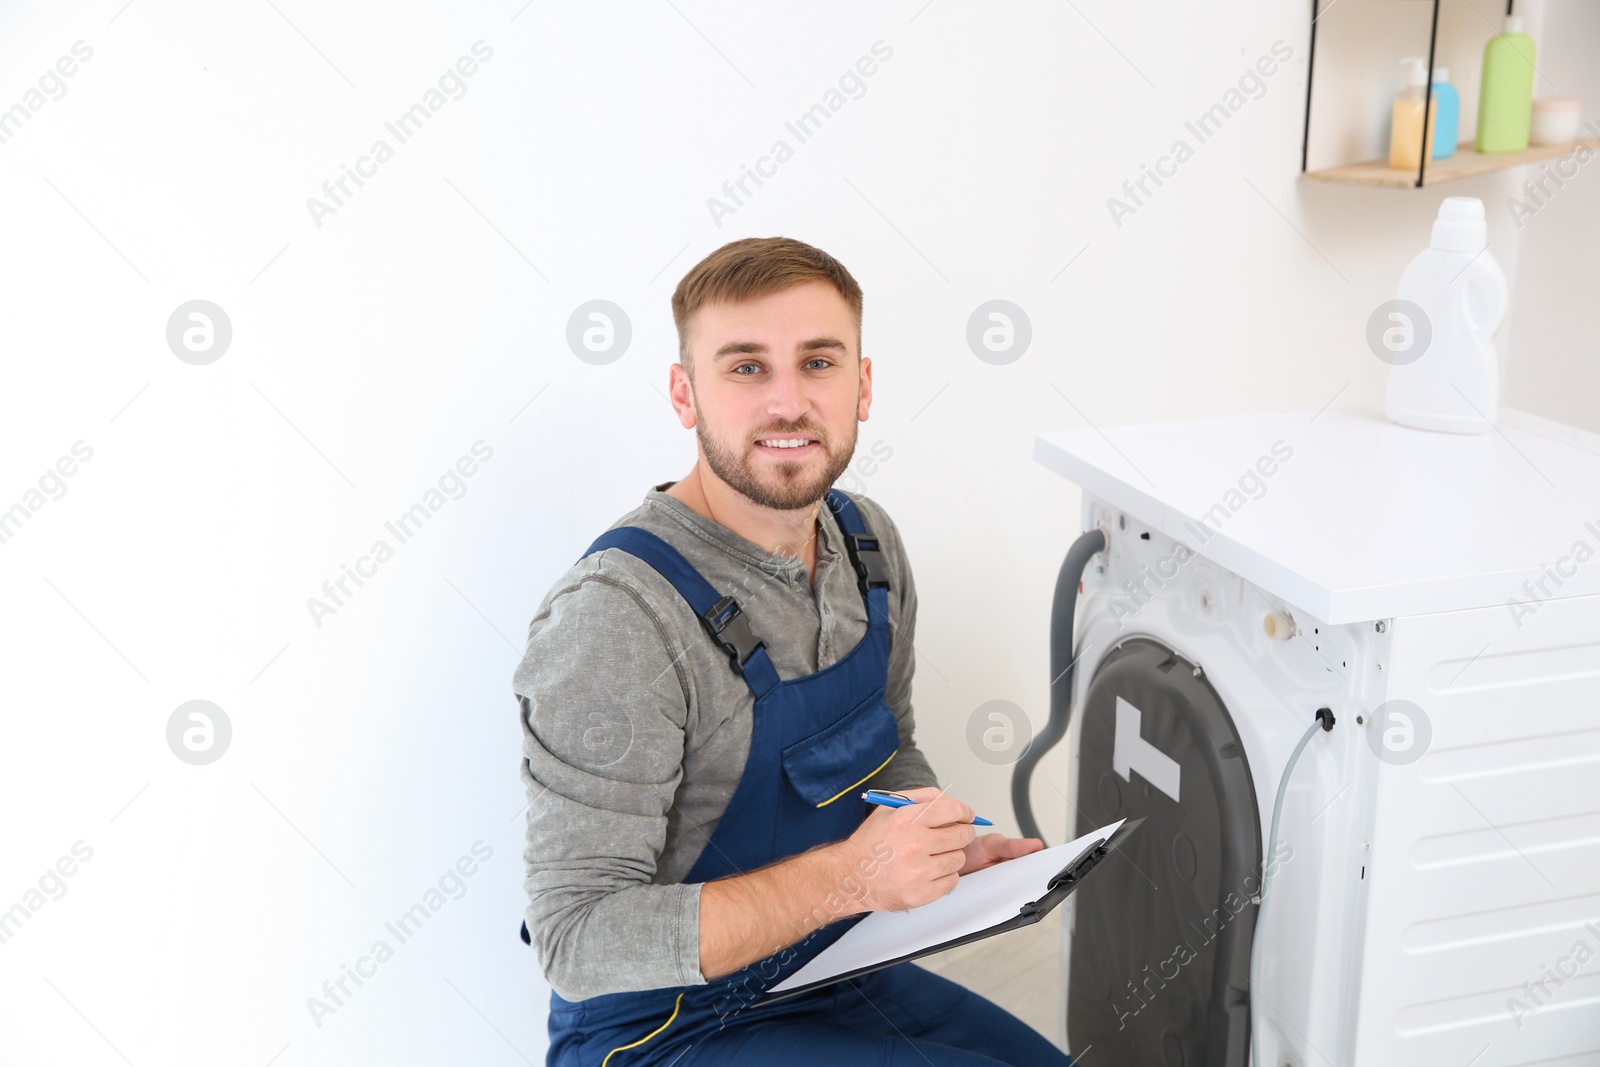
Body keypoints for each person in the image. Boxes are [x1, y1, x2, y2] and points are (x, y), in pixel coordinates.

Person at [514, 236, 1076, 1066]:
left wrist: (943, 841)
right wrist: (852, 879)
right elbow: (577, 939)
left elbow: (889, 751)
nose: (788, 403)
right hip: (660, 1035)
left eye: (818, 362)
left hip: (836, 967)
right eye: (745, 367)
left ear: (864, 385)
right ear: (685, 393)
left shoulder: (866, 544)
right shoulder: (618, 618)